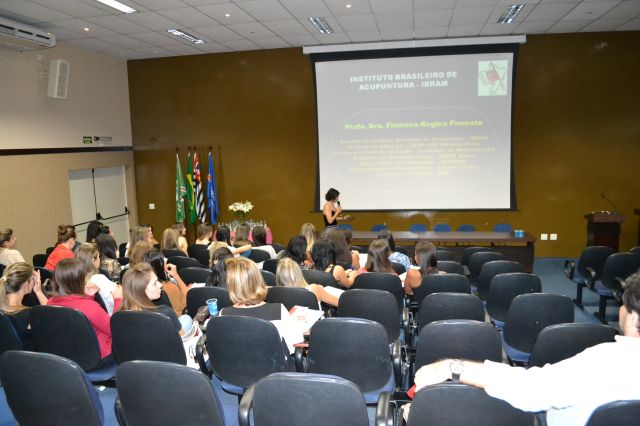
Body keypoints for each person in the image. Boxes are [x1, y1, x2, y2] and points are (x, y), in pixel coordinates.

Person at [413, 271, 640, 426]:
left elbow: (530, 389)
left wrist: (452, 367)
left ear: (633, 316)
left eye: (622, 303)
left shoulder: (606, 362)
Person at [220, 257, 303, 353]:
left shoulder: (222, 314)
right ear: (258, 279)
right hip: (275, 362)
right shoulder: (279, 310)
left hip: (235, 362)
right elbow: (296, 341)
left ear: (231, 285)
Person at [47, 258, 122, 361]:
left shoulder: (50, 302)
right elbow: (115, 330)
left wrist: (88, 296)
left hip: (68, 355)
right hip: (98, 358)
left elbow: (76, 306)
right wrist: (118, 300)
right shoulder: (90, 307)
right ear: (80, 280)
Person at [119, 262, 192, 336]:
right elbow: (181, 340)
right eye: (154, 283)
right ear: (141, 290)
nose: (160, 285)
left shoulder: (118, 315)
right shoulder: (165, 314)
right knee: (186, 319)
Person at [0, 262, 47, 349]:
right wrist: (38, 291)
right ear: (26, 283)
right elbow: (52, 319)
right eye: (33, 279)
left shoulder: (2, 311)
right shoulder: (29, 314)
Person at [75, 243, 119, 315]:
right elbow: (118, 295)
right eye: (98, 257)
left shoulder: (72, 280)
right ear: (93, 260)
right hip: (106, 316)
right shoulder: (98, 279)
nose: (99, 259)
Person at [276, 257, 341, 307]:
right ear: (299, 273)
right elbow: (339, 303)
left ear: (278, 276)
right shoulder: (314, 289)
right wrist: (320, 291)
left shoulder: (273, 293)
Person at [143, 249, 190, 316]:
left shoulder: (139, 286)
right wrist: (176, 276)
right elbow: (182, 308)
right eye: (163, 260)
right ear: (161, 265)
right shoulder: (170, 287)